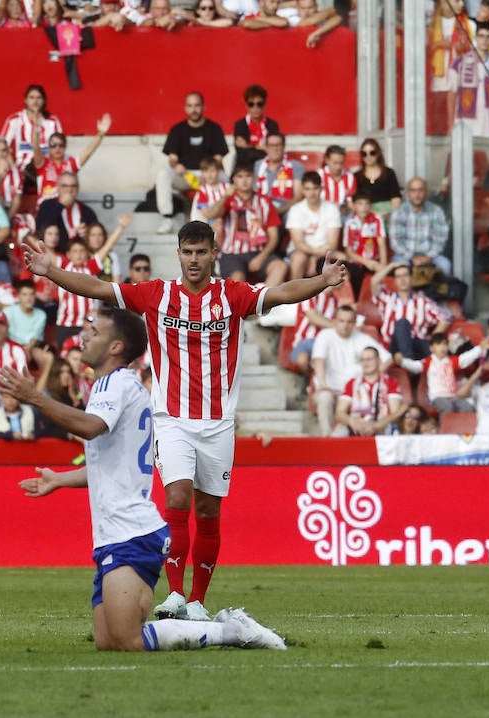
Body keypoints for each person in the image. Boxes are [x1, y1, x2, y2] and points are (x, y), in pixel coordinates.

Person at [20, 220, 347, 621]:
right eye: (187, 252)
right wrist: (50, 272)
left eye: (201, 252)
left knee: (209, 511)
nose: (194, 260)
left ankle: (197, 601)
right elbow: (100, 289)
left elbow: (281, 293)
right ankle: (174, 594)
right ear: (178, 254)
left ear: (214, 253)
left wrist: (323, 280)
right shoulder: (157, 294)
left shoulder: (232, 296)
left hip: (219, 421)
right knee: (176, 498)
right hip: (171, 418)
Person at [0, 307, 286, 652]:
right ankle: (222, 630)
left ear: (116, 347)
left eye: (94, 330)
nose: (84, 334)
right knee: (109, 642)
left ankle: (231, 631)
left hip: (131, 532)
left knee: (128, 640)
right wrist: (60, 480)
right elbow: (113, 464)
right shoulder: (117, 385)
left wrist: (33, 397)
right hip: (115, 532)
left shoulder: (114, 383)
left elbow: (90, 427)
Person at [157, 92, 228, 233]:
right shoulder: (177, 129)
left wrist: (208, 174)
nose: (193, 109)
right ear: (185, 108)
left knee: (225, 178)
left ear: (203, 107)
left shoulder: (214, 129)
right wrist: (176, 166)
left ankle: (229, 217)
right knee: (163, 174)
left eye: (197, 105)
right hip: (185, 175)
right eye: (190, 106)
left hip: (208, 174)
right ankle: (167, 217)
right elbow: (172, 158)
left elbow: (218, 160)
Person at [310, 304, 375, 436]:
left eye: (349, 321)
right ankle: (326, 439)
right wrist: (323, 385)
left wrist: (368, 377)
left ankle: (341, 438)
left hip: (355, 393)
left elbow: (386, 359)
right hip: (330, 389)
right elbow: (319, 360)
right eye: (341, 321)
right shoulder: (325, 335)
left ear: (355, 323)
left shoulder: (363, 338)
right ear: (334, 320)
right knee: (324, 397)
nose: (345, 325)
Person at [388, 178, 453, 277]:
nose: (417, 194)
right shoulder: (399, 212)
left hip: (431, 256)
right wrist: (412, 258)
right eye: (413, 191)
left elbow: (440, 239)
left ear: (426, 192)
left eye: (420, 190)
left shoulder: (436, 211)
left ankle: (435, 292)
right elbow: (396, 242)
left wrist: (429, 257)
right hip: (405, 256)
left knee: (445, 265)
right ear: (407, 193)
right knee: (400, 270)